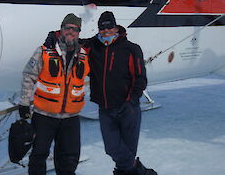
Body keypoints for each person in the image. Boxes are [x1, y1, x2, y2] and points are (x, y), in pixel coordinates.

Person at [44, 11, 157, 175]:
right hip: (105, 108)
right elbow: (73, 42)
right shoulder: (92, 46)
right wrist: (56, 36)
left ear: (115, 27)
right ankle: (139, 171)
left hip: (128, 108)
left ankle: (126, 171)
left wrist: (131, 101)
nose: (106, 32)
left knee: (127, 152)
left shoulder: (131, 49)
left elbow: (140, 78)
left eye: (109, 27)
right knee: (112, 148)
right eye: (102, 28)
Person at [18, 13, 90, 175]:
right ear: (61, 29)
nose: (70, 32)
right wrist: (24, 103)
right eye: (67, 28)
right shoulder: (44, 51)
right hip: (44, 116)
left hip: (71, 118)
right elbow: (29, 75)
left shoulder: (84, 55)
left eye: (75, 29)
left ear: (79, 32)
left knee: (70, 158)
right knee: (38, 155)